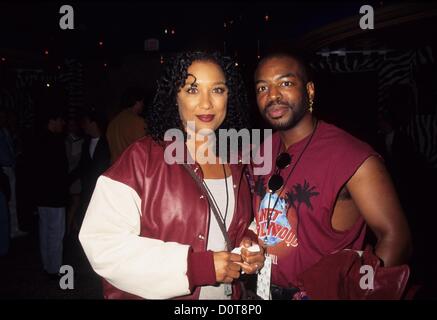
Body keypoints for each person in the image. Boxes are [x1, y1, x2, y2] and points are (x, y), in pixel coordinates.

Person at [79, 51, 264, 300]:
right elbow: (101, 242)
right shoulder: (142, 158)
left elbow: (239, 223)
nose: (207, 103)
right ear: (174, 98)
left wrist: (248, 243)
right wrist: (197, 267)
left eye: (218, 90)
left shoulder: (238, 161)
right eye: (192, 90)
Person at [250, 50, 412, 299]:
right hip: (263, 291)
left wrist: (359, 292)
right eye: (263, 88)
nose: (272, 95)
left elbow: (396, 237)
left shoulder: (352, 156)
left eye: (285, 83)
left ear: (310, 91)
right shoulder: (260, 151)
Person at [34, 109, 69, 279]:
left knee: (45, 231)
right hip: (55, 196)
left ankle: (47, 265)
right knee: (56, 233)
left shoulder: (38, 139)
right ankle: (55, 269)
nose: (63, 124)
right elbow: (60, 171)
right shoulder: (55, 141)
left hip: (42, 195)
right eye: (61, 120)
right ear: (52, 120)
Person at [106, 87, 147, 164]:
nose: (143, 105)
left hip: (115, 169)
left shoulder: (112, 123)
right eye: (142, 102)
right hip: (131, 169)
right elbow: (145, 151)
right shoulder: (139, 122)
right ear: (137, 102)